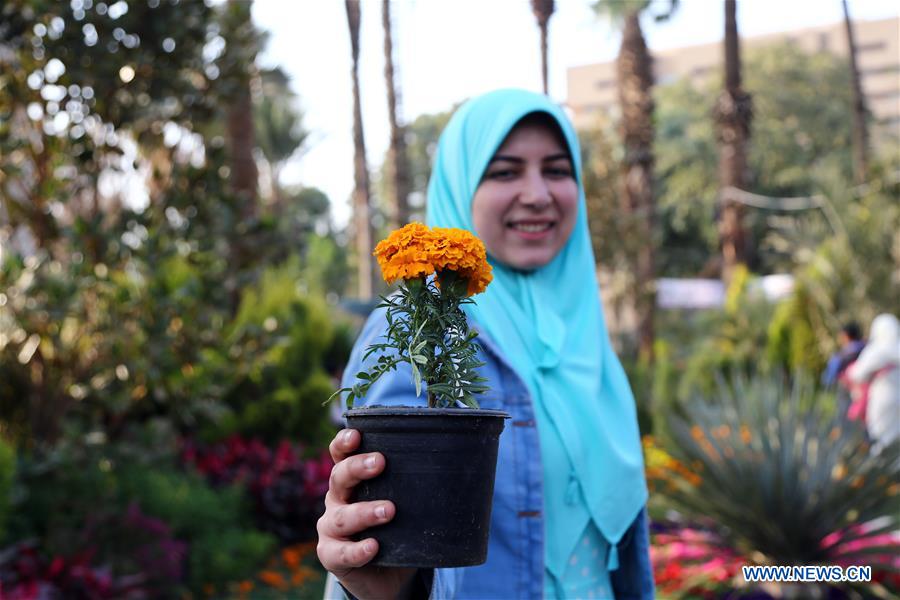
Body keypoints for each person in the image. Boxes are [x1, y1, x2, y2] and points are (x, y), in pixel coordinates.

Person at [317, 89, 653, 599]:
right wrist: (376, 579)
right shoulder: (415, 328)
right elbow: (385, 544)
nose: (538, 194)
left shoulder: (581, 326)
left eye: (558, 170)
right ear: (460, 184)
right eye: (505, 172)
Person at [845, 313, 900, 455]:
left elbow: (856, 373)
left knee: (879, 434)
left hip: (882, 397)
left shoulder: (877, 350)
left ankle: (882, 471)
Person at [822, 322, 865, 418]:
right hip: (867, 400)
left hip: (847, 396)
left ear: (845, 335)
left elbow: (827, 378)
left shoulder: (841, 356)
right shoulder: (867, 349)